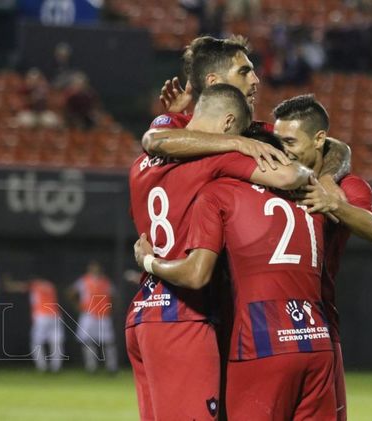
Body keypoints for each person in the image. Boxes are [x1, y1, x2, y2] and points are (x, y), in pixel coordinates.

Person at [126, 83, 313, 421]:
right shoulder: (217, 160)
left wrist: (170, 116)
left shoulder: (141, 164)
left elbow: (161, 137)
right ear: (229, 124)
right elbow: (288, 177)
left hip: (143, 313)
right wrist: (248, 146)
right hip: (183, 315)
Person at [273, 94, 372, 420]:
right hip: (260, 324)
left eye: (290, 141)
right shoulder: (272, 176)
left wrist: (333, 202)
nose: (282, 149)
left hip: (317, 323)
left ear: (318, 139)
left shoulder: (347, 189)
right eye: (278, 140)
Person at [143, 35, 351, 180]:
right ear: (214, 82)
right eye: (244, 72)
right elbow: (153, 141)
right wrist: (236, 142)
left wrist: (327, 180)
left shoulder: (258, 135)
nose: (256, 80)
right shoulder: (177, 124)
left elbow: (335, 148)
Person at [4, 276, 65, 372]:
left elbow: (17, 287)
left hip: (42, 316)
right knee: (56, 342)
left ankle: (42, 367)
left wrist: (8, 284)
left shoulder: (35, 284)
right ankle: (56, 367)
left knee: (36, 342)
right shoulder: (50, 285)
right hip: (55, 315)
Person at [68, 261, 117, 374]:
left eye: (96, 268)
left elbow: (114, 295)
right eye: (92, 268)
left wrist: (111, 308)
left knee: (108, 342)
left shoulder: (105, 281)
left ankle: (112, 367)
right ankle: (91, 367)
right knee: (87, 341)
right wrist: (77, 305)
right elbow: (71, 292)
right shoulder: (84, 280)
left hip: (103, 315)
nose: (95, 270)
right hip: (89, 314)